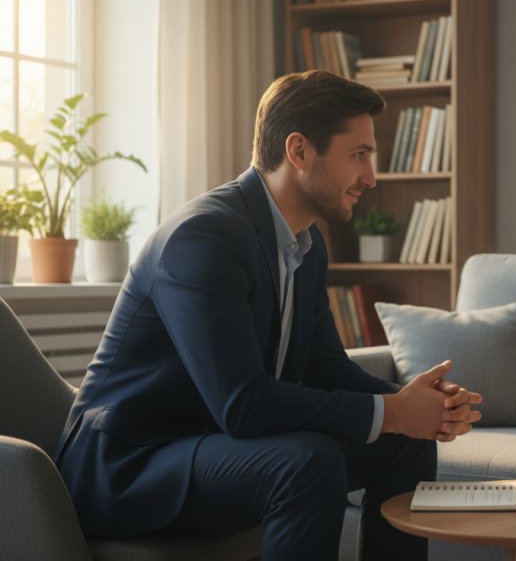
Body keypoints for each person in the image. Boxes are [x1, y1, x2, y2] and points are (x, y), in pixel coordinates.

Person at [55, 70, 482, 561]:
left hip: (210, 445)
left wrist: (412, 405)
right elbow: (243, 405)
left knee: (405, 442)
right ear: (298, 151)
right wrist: (392, 413)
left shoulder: (308, 243)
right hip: (130, 465)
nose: (371, 177)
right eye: (358, 155)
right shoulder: (203, 238)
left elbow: (325, 367)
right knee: (309, 460)